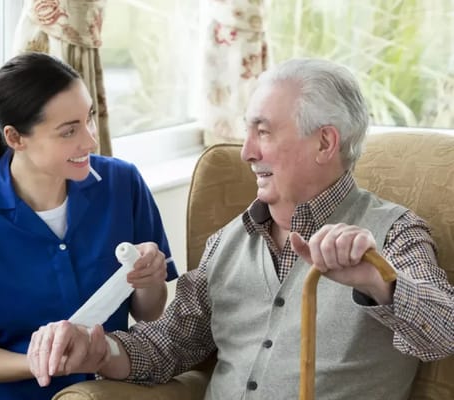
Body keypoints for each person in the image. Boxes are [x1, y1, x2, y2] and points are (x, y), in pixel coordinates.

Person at [26, 58, 454, 399]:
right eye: (247, 132)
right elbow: (168, 344)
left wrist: (380, 282)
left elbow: (444, 332)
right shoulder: (227, 241)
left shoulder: (394, 232)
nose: (247, 152)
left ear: (325, 143)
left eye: (263, 132)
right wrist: (97, 349)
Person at [0, 52, 178, 400]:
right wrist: (46, 362)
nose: (90, 141)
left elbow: (149, 312)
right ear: (15, 138)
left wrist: (150, 280)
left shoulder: (123, 184)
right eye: (69, 131)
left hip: (111, 393)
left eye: (89, 119)